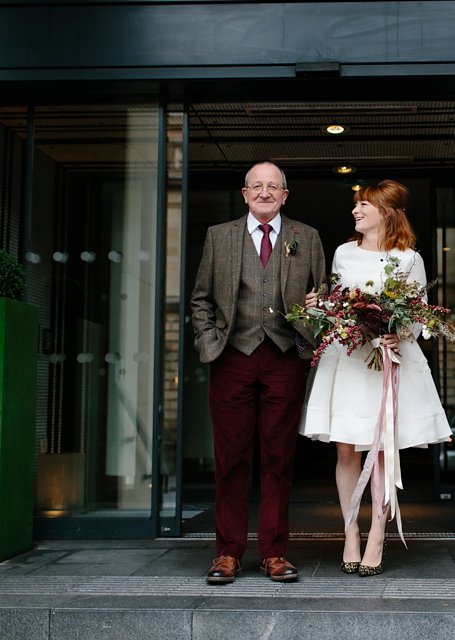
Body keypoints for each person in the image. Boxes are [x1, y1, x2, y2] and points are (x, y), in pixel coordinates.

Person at [299, 180, 451, 576]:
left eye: (363, 204)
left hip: (386, 361)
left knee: (383, 452)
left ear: (385, 212)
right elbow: (335, 306)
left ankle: (377, 535)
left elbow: (417, 316)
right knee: (347, 450)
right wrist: (320, 308)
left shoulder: (408, 258)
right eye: (356, 204)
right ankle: (350, 532)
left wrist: (396, 331)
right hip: (348, 359)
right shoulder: (343, 252)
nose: (355, 210)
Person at [190, 162, 326, 584]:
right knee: (229, 460)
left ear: (285, 195)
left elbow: (324, 294)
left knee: (278, 459)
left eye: (274, 187)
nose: (265, 192)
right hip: (232, 357)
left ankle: (274, 553)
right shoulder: (220, 235)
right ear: (245, 194)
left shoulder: (307, 237)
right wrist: (210, 342)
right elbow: (201, 299)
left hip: (285, 358)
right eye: (257, 186)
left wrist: (311, 320)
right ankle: (227, 553)